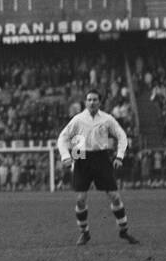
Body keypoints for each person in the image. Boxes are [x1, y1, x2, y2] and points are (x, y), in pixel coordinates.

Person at [57, 89, 139, 245]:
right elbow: (63, 138)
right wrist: (66, 156)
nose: (92, 102)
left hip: (101, 157)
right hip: (81, 156)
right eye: (89, 99)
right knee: (80, 199)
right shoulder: (78, 119)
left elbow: (122, 136)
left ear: (99, 102)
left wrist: (119, 156)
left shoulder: (107, 119)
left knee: (114, 196)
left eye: (95, 99)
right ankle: (84, 233)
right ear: (85, 102)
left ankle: (124, 231)